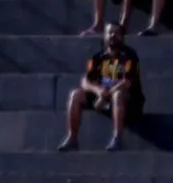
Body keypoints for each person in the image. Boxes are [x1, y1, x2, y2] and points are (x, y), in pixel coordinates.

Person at [60, 22, 143, 151]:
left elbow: (127, 82)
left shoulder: (129, 56)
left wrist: (105, 96)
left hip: (128, 102)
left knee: (118, 94)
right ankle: (72, 138)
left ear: (122, 36)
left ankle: (117, 139)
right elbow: (85, 81)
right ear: (104, 36)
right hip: (102, 99)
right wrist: (98, 91)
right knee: (75, 94)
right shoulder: (97, 57)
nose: (113, 35)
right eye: (110, 32)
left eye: (116, 33)